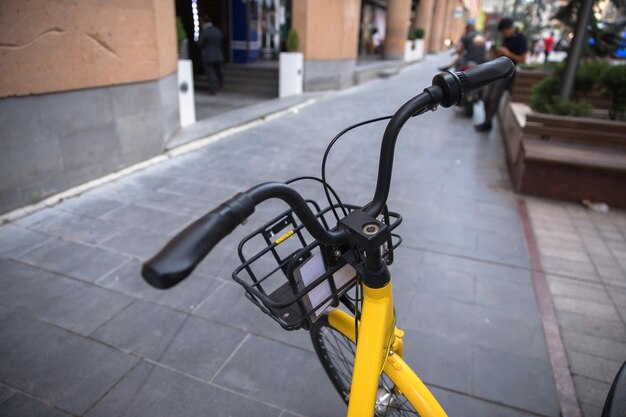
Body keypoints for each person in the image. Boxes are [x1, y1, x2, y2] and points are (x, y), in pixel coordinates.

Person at [475, 18, 528, 132]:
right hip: (497, 70)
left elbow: (523, 59)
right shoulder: (506, 38)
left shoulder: (521, 39)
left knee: (494, 98)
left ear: (509, 28)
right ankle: (486, 121)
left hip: (507, 73)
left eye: (504, 32)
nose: (503, 35)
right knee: (486, 97)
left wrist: (508, 53)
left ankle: (488, 123)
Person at [198, 15, 224, 95]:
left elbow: (201, 43)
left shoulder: (205, 31)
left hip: (208, 55)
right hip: (218, 54)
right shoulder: (217, 30)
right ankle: (221, 84)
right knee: (218, 71)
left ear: (203, 22)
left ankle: (212, 89)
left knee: (210, 73)